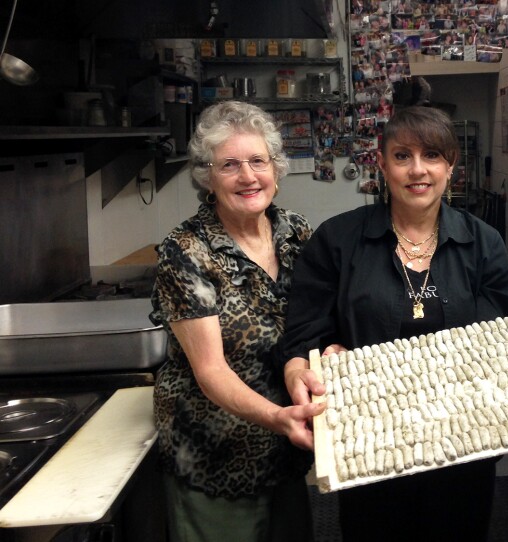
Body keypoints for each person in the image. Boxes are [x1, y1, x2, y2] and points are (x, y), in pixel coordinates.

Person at [273, 105, 508, 540]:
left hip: (462, 442)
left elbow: (493, 340)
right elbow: (304, 332)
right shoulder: (337, 241)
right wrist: (310, 364)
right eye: (402, 156)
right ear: (381, 164)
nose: (417, 170)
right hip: (369, 443)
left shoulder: (483, 243)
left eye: (432, 156)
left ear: (451, 165)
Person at [150, 101, 320, 542]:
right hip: (215, 454)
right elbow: (210, 371)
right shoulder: (187, 251)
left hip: (287, 450)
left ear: (276, 170)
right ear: (208, 178)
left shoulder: (297, 232)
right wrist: (280, 417)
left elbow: (317, 321)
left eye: (258, 161)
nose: (248, 177)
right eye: (230, 165)